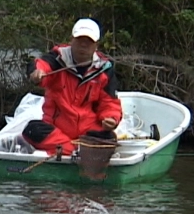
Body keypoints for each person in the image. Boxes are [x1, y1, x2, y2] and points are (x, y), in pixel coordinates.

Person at [22, 17, 122, 156]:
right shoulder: (57, 59)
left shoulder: (104, 70)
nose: (83, 45)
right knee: (32, 130)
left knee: (109, 139)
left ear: (96, 45)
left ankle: (68, 150)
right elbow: (42, 65)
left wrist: (111, 118)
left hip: (88, 130)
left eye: (88, 42)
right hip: (56, 129)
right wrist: (37, 72)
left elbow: (109, 102)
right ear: (71, 40)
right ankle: (75, 150)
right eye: (80, 40)